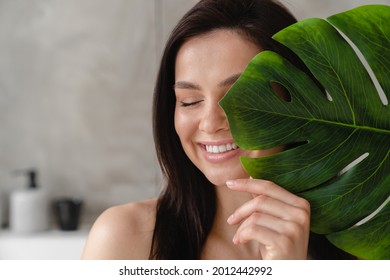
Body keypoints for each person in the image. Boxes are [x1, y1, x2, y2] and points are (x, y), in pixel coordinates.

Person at [81, 0, 355, 260]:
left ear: (299, 98)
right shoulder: (124, 238)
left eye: (239, 96)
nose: (210, 123)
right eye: (190, 101)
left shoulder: (365, 242)